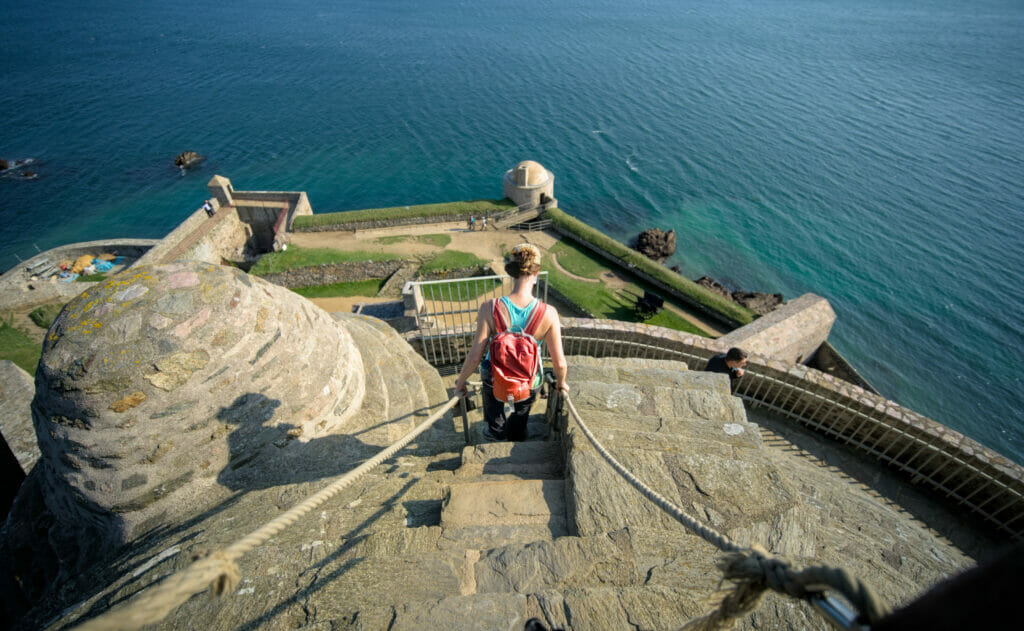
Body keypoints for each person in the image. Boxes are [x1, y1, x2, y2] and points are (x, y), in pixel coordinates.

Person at [454, 244, 568, 441]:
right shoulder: (549, 313)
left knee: (494, 414)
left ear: (511, 272)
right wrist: (561, 382)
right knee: (520, 415)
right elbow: (559, 363)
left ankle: (496, 435)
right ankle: (517, 434)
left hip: (494, 377)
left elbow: (475, 356)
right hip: (529, 379)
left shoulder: (489, 307)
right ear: (537, 272)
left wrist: (460, 382)